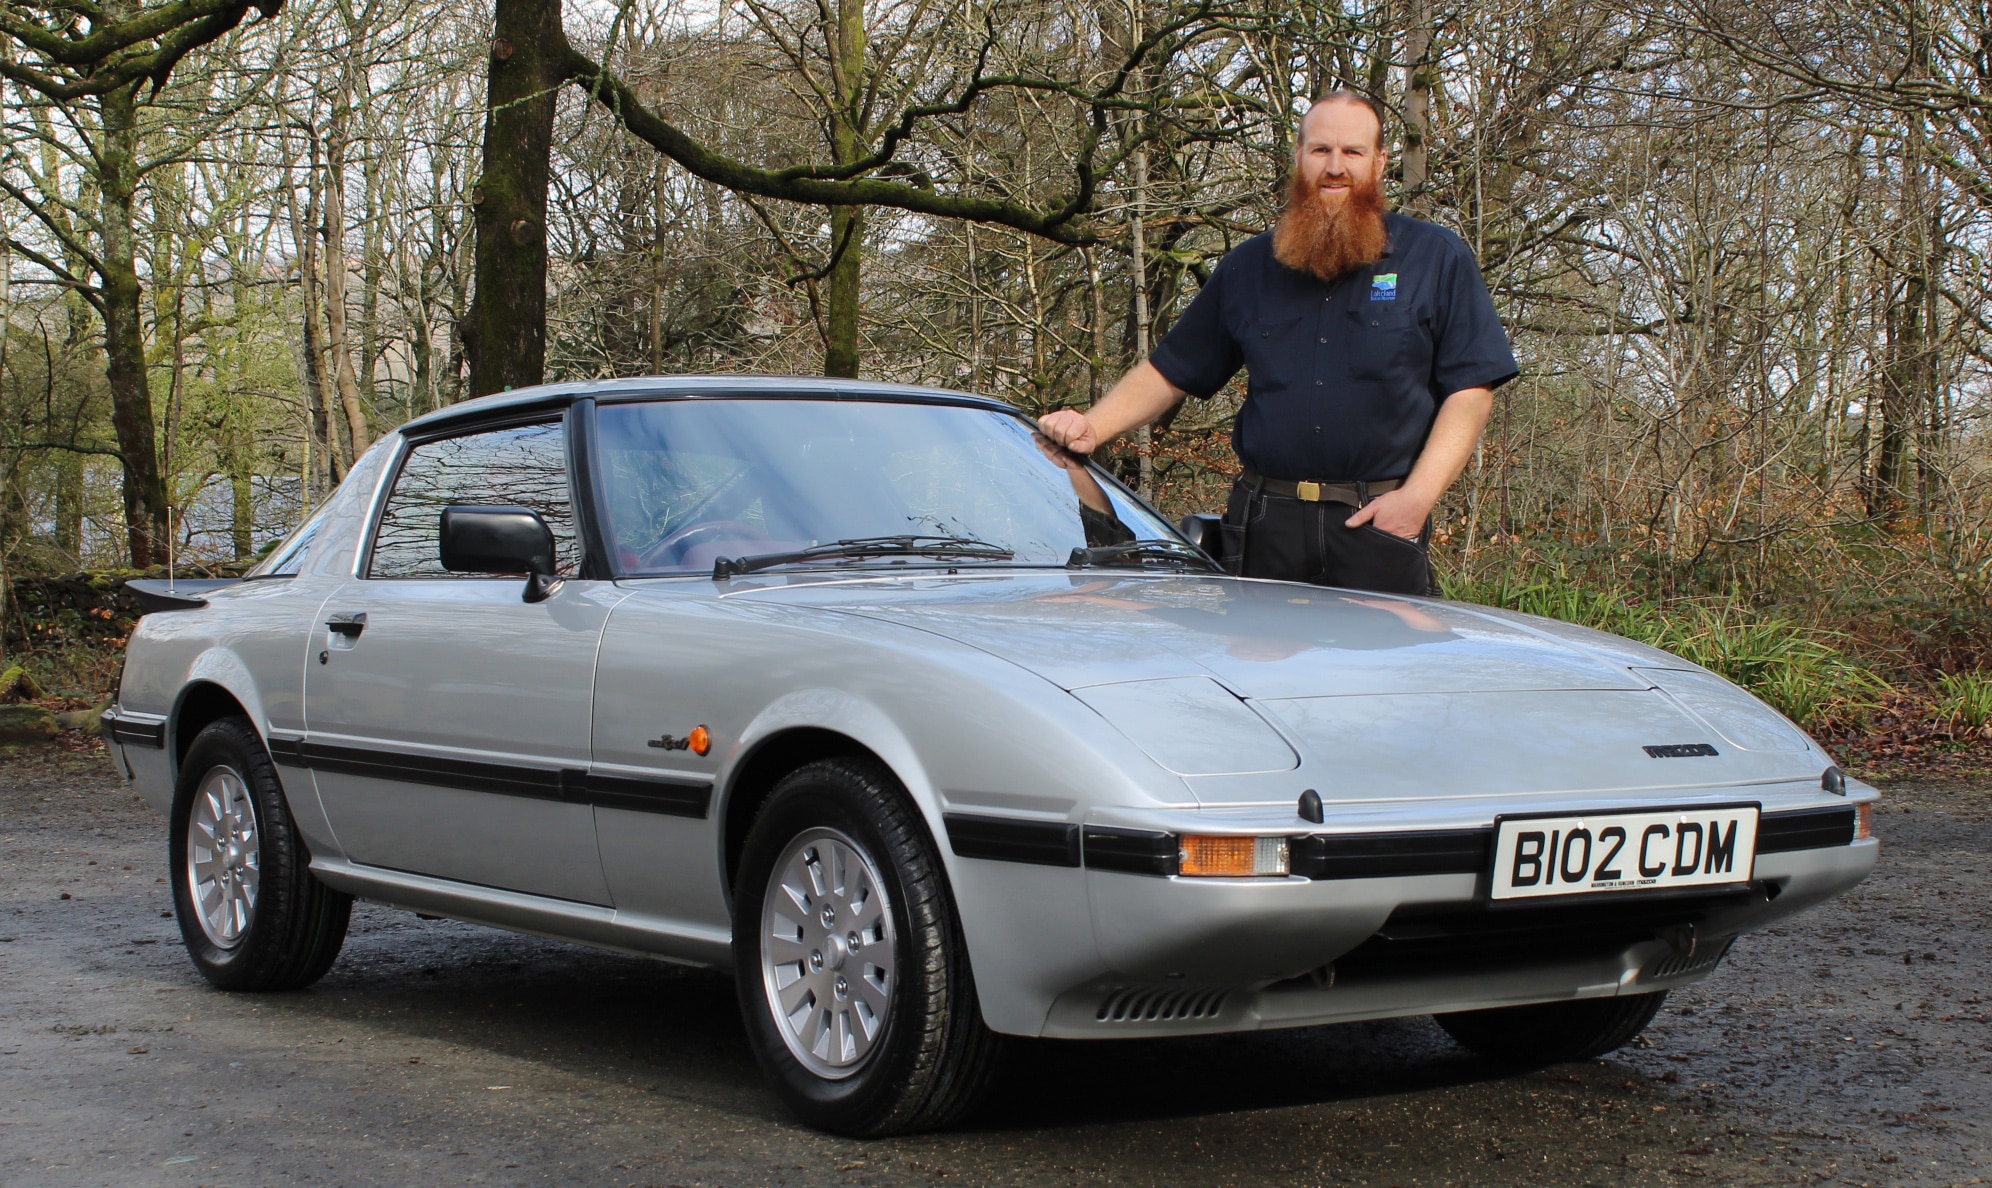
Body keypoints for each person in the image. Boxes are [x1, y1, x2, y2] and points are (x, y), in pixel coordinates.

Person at [1037, 91, 1519, 595]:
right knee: (1255, 653)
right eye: (1321, 150)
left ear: (1379, 163)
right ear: (1299, 156)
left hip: (1379, 525)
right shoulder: (1248, 268)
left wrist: (1417, 499)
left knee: (1383, 652)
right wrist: (1093, 426)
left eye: (1353, 152)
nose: (1335, 167)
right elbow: (1171, 370)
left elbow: (1471, 391)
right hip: (1265, 527)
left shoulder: (1436, 259)